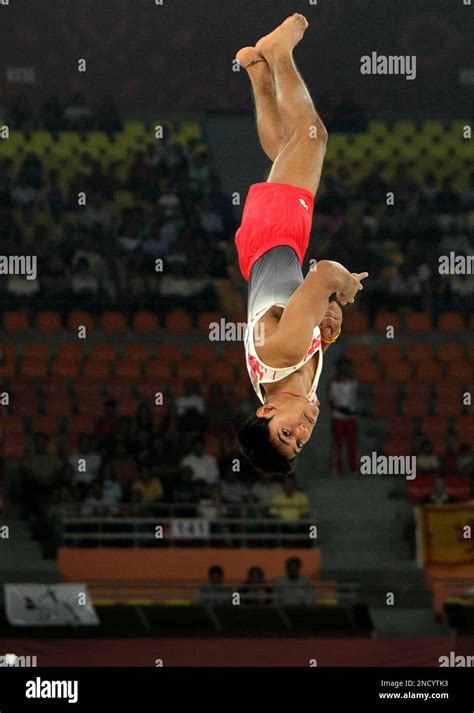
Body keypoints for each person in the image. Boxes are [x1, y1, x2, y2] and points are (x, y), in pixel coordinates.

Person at [234, 15, 368, 474]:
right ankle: (255, 69)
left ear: (266, 412)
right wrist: (329, 324)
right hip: (267, 250)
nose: (303, 431)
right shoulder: (294, 387)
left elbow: (326, 273)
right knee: (289, 153)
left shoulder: (282, 356)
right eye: (300, 443)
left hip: (274, 236)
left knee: (312, 136)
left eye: (285, 433)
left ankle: (278, 53)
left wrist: (344, 287)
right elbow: (309, 317)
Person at [328, 357, 358, 475]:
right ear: (339, 368)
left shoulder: (353, 382)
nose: (346, 369)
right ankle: (336, 467)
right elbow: (331, 400)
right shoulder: (334, 383)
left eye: (348, 367)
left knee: (352, 444)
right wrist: (342, 409)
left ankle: (354, 467)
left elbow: (354, 398)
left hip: (351, 417)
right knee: (337, 444)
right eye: (344, 367)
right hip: (338, 417)